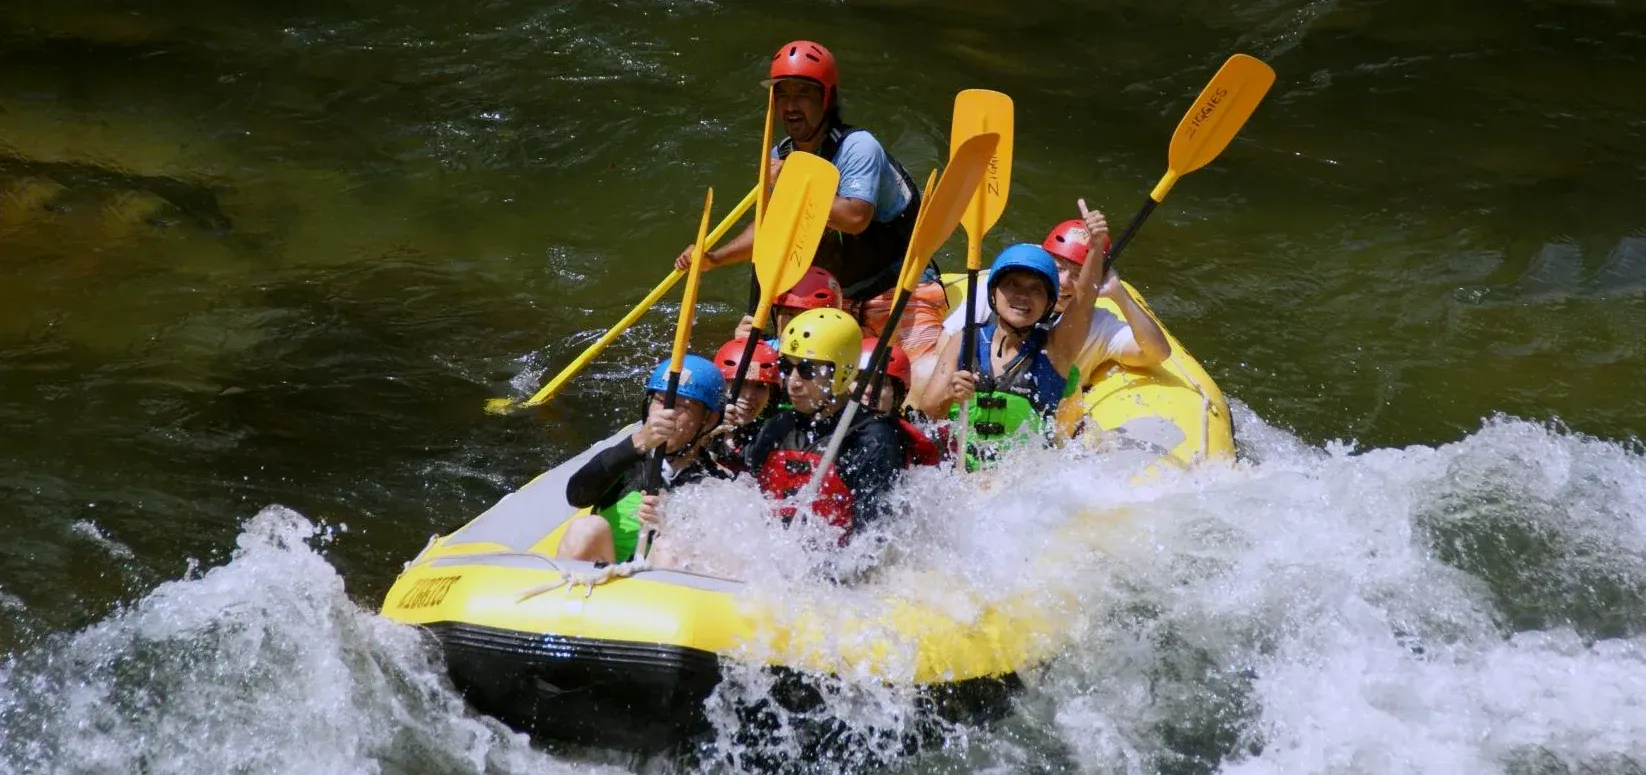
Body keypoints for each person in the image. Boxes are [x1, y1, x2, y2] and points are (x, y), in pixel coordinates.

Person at [674, 40, 951, 391]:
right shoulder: (782, 153)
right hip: (839, 297)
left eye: (803, 94)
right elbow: (774, 229)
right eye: (782, 95)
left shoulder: (857, 147)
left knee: (916, 385)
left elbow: (855, 217)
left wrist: (793, 181)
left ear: (826, 98)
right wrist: (714, 258)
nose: (790, 106)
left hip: (901, 288)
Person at [919, 204, 1117, 463]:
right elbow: (927, 416)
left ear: (1048, 303)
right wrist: (950, 394)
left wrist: (1095, 248)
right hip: (958, 475)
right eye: (1012, 285)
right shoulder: (964, 341)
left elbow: (1083, 302)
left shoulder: (1055, 351)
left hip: (1016, 485)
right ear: (994, 293)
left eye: (1036, 289)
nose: (1022, 296)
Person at [936, 218, 1172, 393]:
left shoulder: (1098, 322)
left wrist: (1120, 294)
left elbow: (1157, 353)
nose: (1064, 283)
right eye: (1058, 269)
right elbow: (944, 349)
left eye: (1078, 274)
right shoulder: (1003, 294)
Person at [744, 308, 905, 546]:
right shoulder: (779, 426)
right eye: (787, 367)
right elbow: (738, 492)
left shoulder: (872, 438)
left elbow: (873, 540)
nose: (793, 382)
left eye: (807, 370)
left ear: (841, 373)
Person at [560, 355, 727, 564]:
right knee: (585, 528)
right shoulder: (628, 457)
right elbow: (577, 496)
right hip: (601, 579)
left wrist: (668, 523)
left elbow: (720, 555)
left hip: (656, 586)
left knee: (669, 546)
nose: (666, 413)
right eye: (659, 401)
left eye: (681, 406)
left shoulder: (714, 481)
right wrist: (637, 443)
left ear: (709, 419)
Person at [854, 336, 946, 467]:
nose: (868, 390)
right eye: (859, 380)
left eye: (882, 383)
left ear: (897, 397)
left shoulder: (885, 441)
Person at [706, 335, 782, 474]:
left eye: (760, 386)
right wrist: (705, 436)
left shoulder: (772, 437)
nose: (749, 395)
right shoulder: (694, 427)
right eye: (740, 383)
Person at [732, 266, 842, 347]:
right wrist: (741, 347)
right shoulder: (761, 349)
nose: (795, 325)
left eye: (807, 317)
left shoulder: (847, 356)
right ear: (777, 315)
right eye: (789, 314)